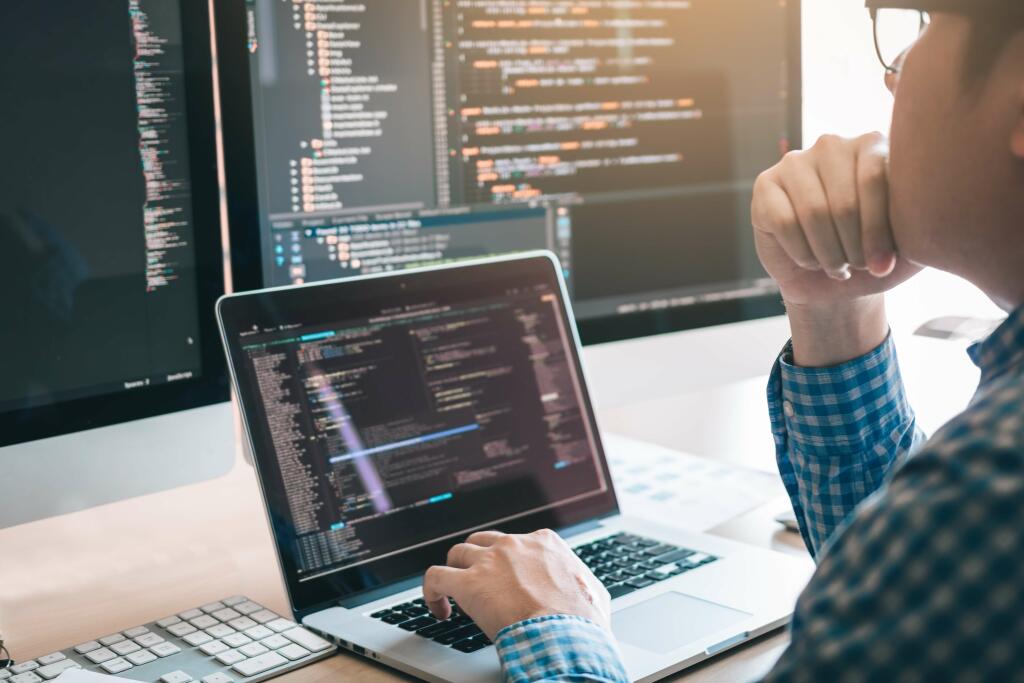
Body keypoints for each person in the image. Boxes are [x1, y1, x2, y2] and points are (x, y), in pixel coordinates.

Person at [420, 1, 1024, 680]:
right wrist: (831, 306)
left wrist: (555, 628)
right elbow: (916, 589)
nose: (897, 74)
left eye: (926, 21)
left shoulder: (997, 479)